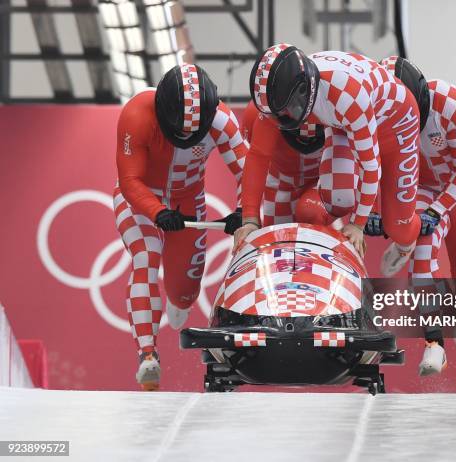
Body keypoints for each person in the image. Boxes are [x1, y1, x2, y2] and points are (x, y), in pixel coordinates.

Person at [114, 63, 246, 390]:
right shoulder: (136, 115)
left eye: (194, 133)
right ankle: (147, 355)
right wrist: (157, 211)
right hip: (141, 199)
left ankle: (179, 301)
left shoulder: (222, 121)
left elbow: (249, 171)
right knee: (145, 257)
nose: (186, 138)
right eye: (179, 131)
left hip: (188, 203)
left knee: (184, 296)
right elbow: (130, 180)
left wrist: (245, 212)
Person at [369, 56, 456, 392]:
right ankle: (434, 342)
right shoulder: (379, 120)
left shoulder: (452, 104)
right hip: (423, 191)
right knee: (423, 258)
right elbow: (377, 170)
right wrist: (374, 212)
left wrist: (438, 210)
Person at [238, 44, 422, 259]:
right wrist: (249, 219)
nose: (280, 121)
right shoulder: (273, 102)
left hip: (396, 124)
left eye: (286, 111)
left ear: (304, 91)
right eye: (273, 114)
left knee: (397, 225)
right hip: (344, 124)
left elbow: (370, 166)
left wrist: (357, 225)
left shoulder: (346, 97)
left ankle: (407, 243)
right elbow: (258, 157)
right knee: (326, 203)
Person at [232, 101, 335, 250]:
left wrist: (360, 221)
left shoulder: (336, 106)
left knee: (310, 211)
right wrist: (250, 220)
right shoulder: (262, 112)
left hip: (321, 182)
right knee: (276, 247)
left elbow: (360, 155)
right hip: (280, 183)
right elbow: (257, 159)